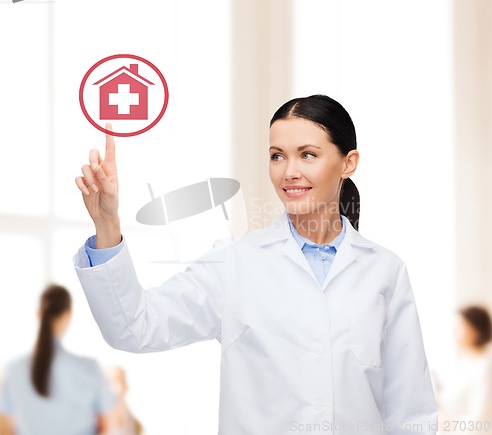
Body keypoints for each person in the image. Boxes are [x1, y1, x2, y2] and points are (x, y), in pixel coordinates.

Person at [73, 95, 437, 435]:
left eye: (307, 155)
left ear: (348, 163)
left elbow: (411, 411)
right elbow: (134, 326)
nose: (289, 171)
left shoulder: (385, 272)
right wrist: (107, 224)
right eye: (277, 156)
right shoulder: (235, 264)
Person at [0, 284, 116, 435]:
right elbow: (106, 426)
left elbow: (5, 428)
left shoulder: (13, 369)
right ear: (68, 314)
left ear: (39, 314)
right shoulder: (89, 368)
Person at [435, 306, 492, 434]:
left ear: (475, 331)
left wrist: (446, 422)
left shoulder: (485, 368)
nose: (453, 332)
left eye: (459, 327)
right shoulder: (464, 363)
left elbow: (479, 422)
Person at [107, 367, 144, 435]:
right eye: (113, 381)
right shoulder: (97, 421)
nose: (120, 386)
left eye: (123, 381)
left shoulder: (135, 424)